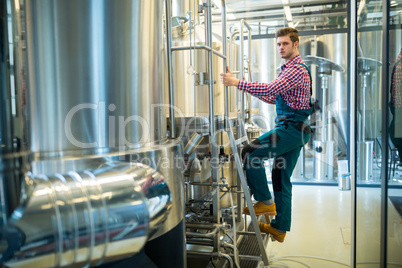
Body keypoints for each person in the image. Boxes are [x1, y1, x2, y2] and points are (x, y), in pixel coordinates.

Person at [220, 27, 313, 242]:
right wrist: (246, 87)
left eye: (285, 44)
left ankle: (264, 201)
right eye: (279, 44)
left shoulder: (295, 69)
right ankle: (280, 228)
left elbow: (271, 89)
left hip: (290, 129)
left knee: (250, 152)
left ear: (296, 44)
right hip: (297, 129)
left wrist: (237, 83)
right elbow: (274, 98)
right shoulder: (288, 69)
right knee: (281, 178)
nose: (281, 47)